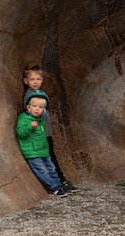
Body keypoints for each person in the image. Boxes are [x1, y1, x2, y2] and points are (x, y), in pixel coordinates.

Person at [22, 64, 79, 193]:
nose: (36, 82)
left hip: (46, 133)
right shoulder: (31, 96)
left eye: (38, 79)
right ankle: (57, 184)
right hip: (40, 135)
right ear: (26, 81)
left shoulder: (39, 93)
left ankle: (59, 182)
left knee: (51, 159)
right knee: (49, 161)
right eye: (32, 79)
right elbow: (35, 114)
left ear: (42, 79)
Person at [16, 89, 69, 196]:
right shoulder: (24, 118)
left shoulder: (41, 120)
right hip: (33, 152)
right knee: (42, 170)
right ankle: (54, 187)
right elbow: (20, 132)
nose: (37, 109)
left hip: (44, 150)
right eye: (34, 106)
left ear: (44, 110)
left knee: (52, 168)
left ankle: (59, 185)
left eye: (40, 107)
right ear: (28, 107)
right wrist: (30, 126)